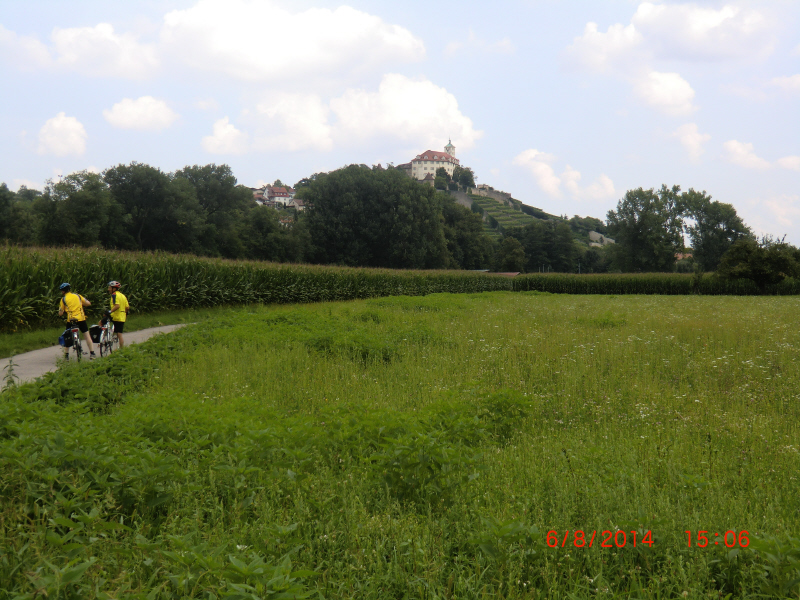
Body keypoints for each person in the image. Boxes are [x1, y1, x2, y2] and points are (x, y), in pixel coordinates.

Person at [58, 282, 96, 359]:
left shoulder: (63, 299)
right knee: (87, 336)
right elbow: (88, 303)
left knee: (67, 336)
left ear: (63, 291)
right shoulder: (77, 296)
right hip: (81, 318)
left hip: (71, 320)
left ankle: (66, 356)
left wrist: (61, 311)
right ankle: (92, 353)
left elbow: (60, 313)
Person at [101, 280, 129, 348]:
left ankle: (102, 339)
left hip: (115, 316)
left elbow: (117, 306)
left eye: (110, 288)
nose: (108, 289)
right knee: (120, 334)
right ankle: (122, 350)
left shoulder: (114, 295)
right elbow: (127, 307)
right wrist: (126, 313)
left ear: (114, 288)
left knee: (101, 322)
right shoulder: (123, 296)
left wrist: (110, 311)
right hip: (122, 317)